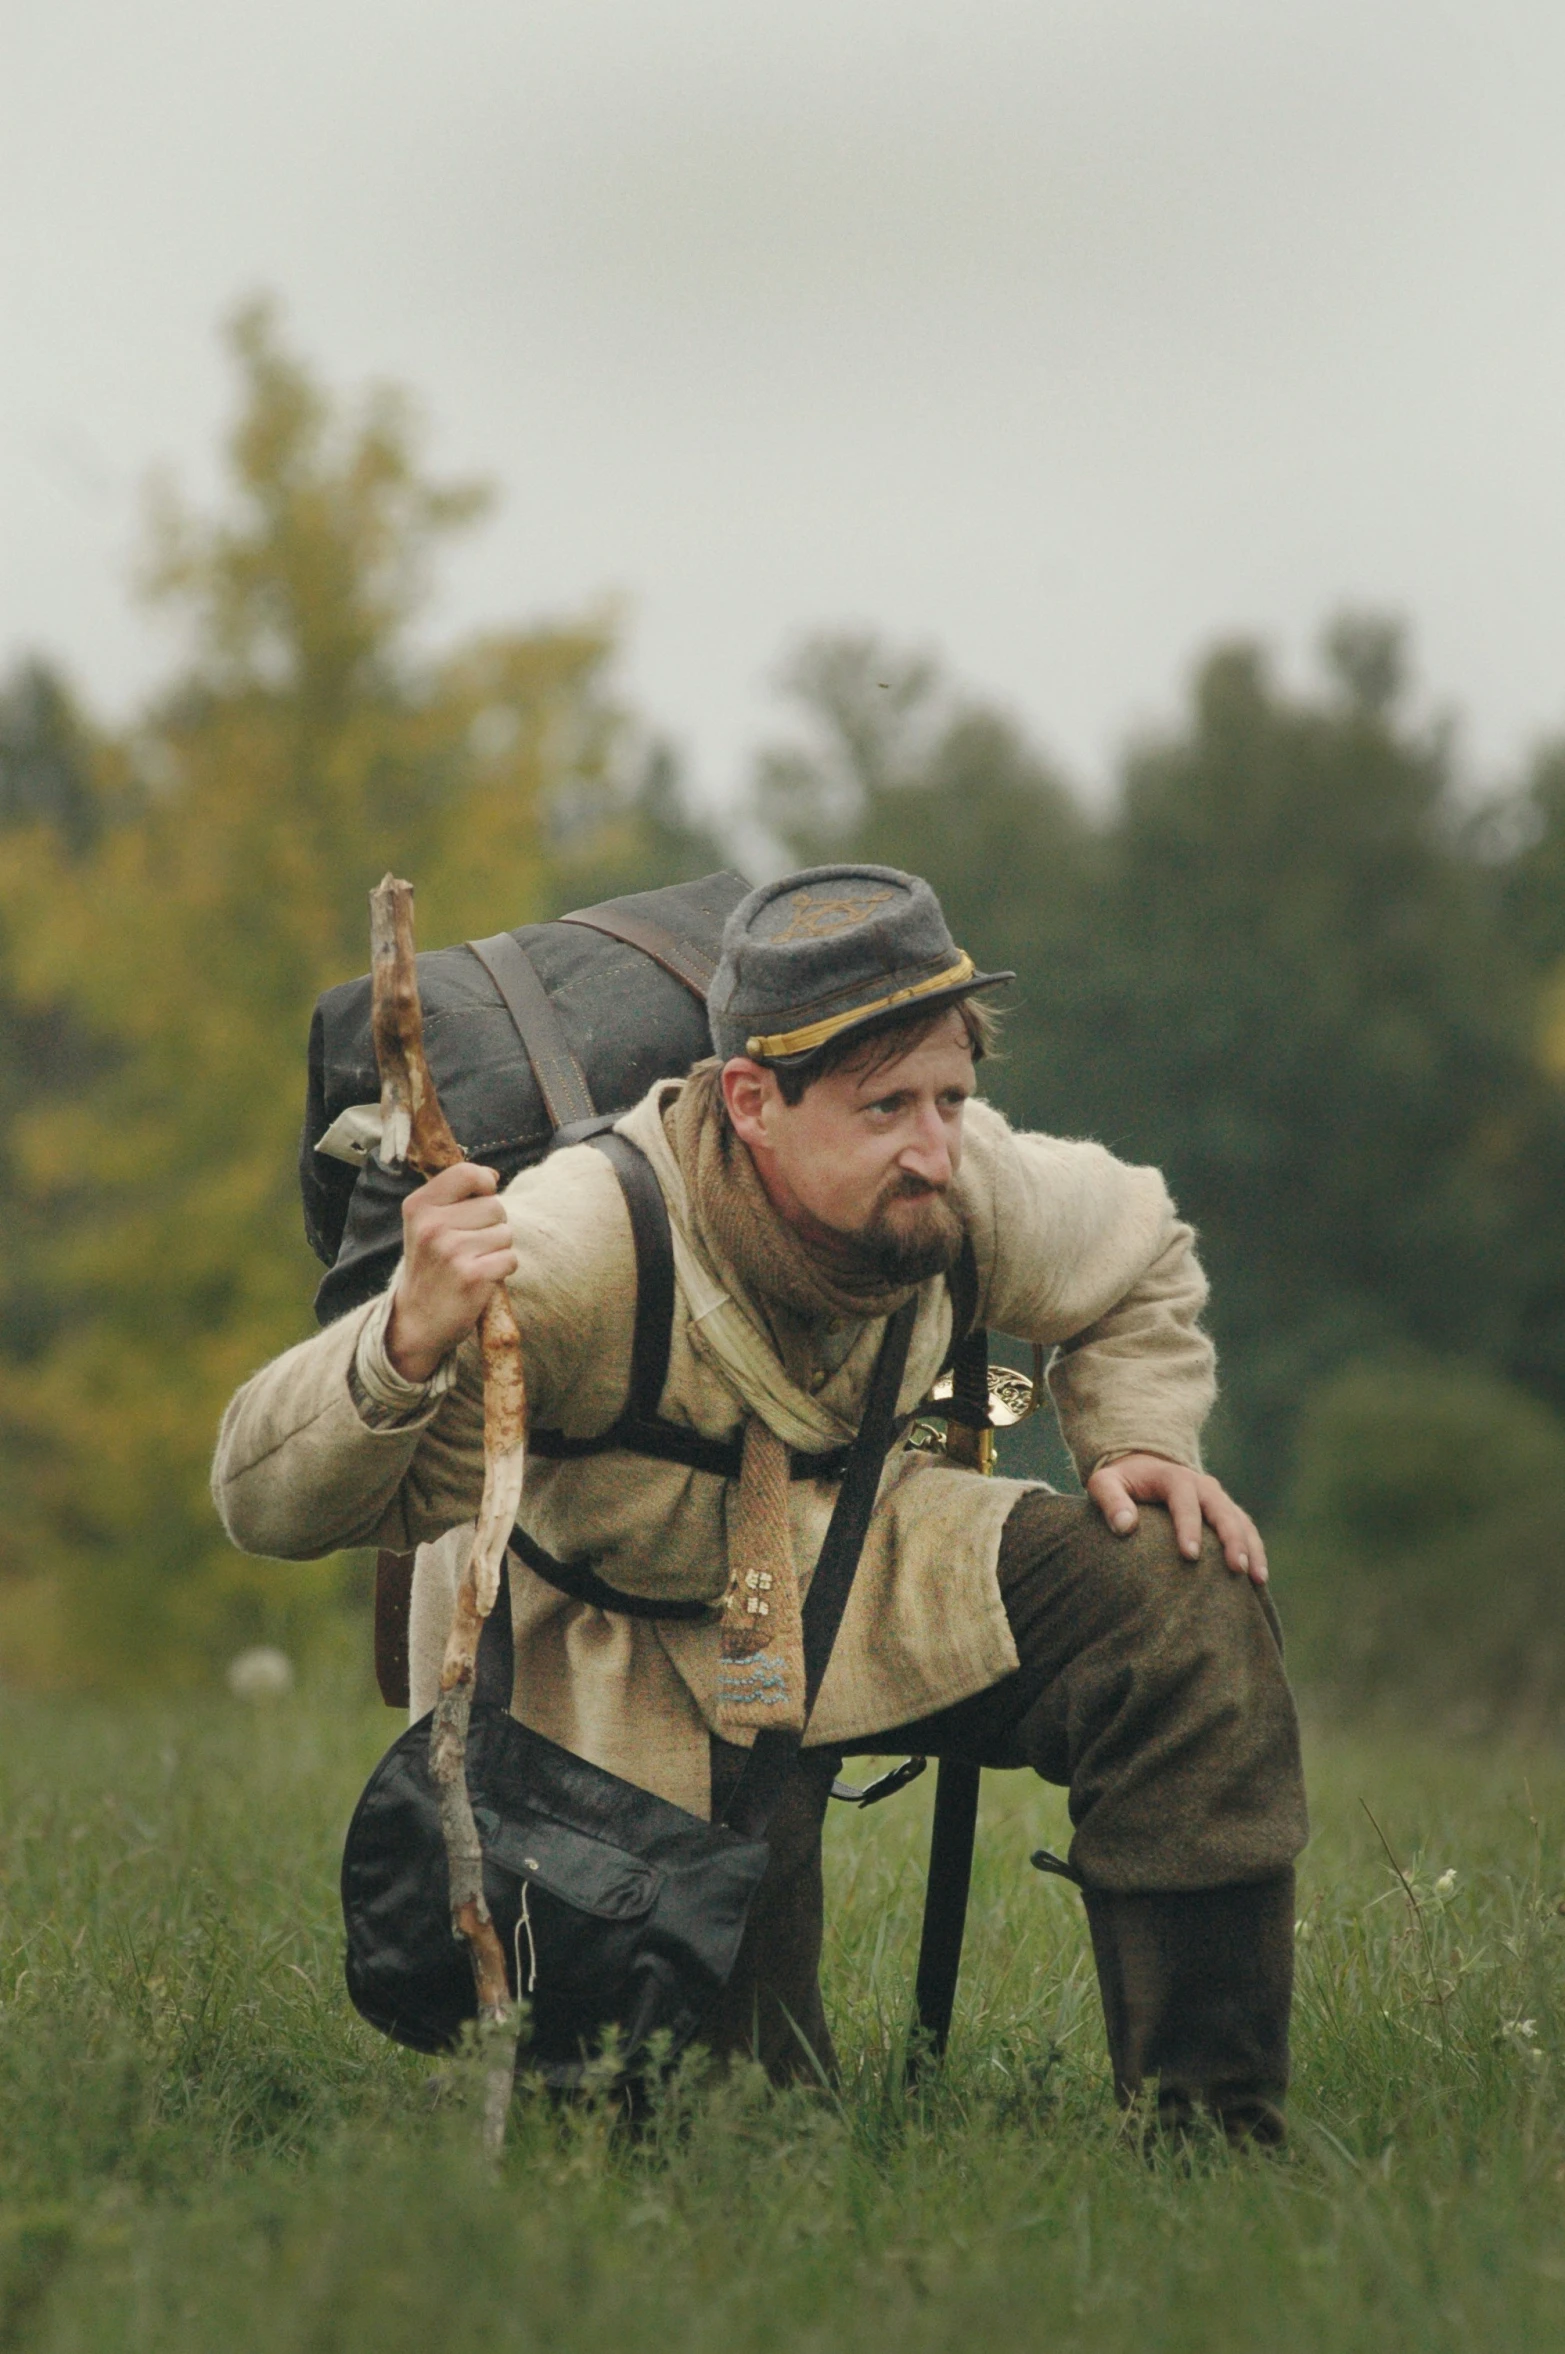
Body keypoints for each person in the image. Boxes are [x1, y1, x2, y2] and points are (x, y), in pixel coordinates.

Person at [213, 864, 1306, 2139]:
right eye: (883, 1103)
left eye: (951, 1095)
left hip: (862, 1564)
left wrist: (1139, 1435)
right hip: (630, 1649)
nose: (933, 1144)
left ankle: (1211, 2148)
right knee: (733, 2143)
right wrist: (398, 1341)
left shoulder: (958, 1179)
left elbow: (1142, 1246)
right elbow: (261, 1495)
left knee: (1176, 1592)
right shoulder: (576, 1249)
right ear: (751, 1102)